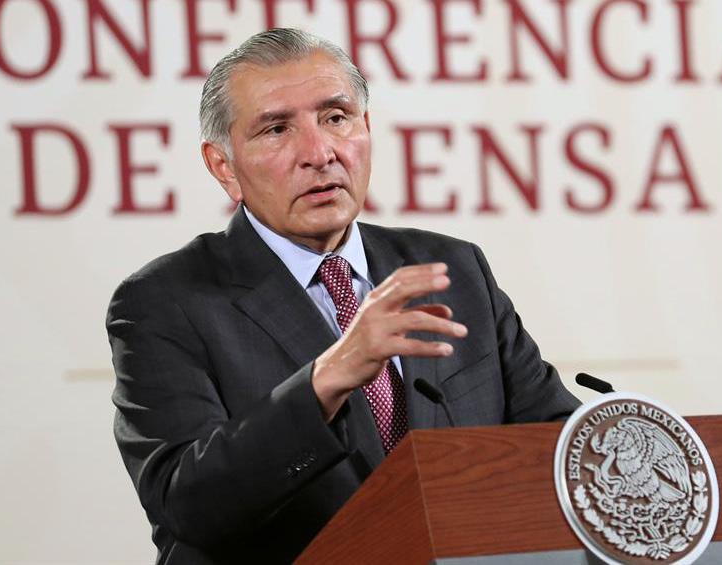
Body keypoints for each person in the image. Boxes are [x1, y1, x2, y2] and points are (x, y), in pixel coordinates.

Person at [107, 28, 580, 565]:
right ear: (224, 167)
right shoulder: (164, 302)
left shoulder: (453, 268)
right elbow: (188, 504)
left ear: (367, 128)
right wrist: (327, 379)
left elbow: (555, 446)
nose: (319, 153)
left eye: (336, 118)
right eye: (277, 129)